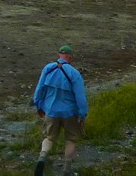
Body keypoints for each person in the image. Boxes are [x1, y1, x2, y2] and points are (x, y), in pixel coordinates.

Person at [32, 45, 88, 175]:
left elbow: (39, 89)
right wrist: (82, 115)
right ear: (70, 56)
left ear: (59, 55)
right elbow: (80, 97)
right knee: (71, 139)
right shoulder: (74, 73)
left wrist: (39, 105)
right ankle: (67, 169)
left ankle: (42, 157)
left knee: (49, 138)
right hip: (69, 113)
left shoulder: (48, 68)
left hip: (51, 111)